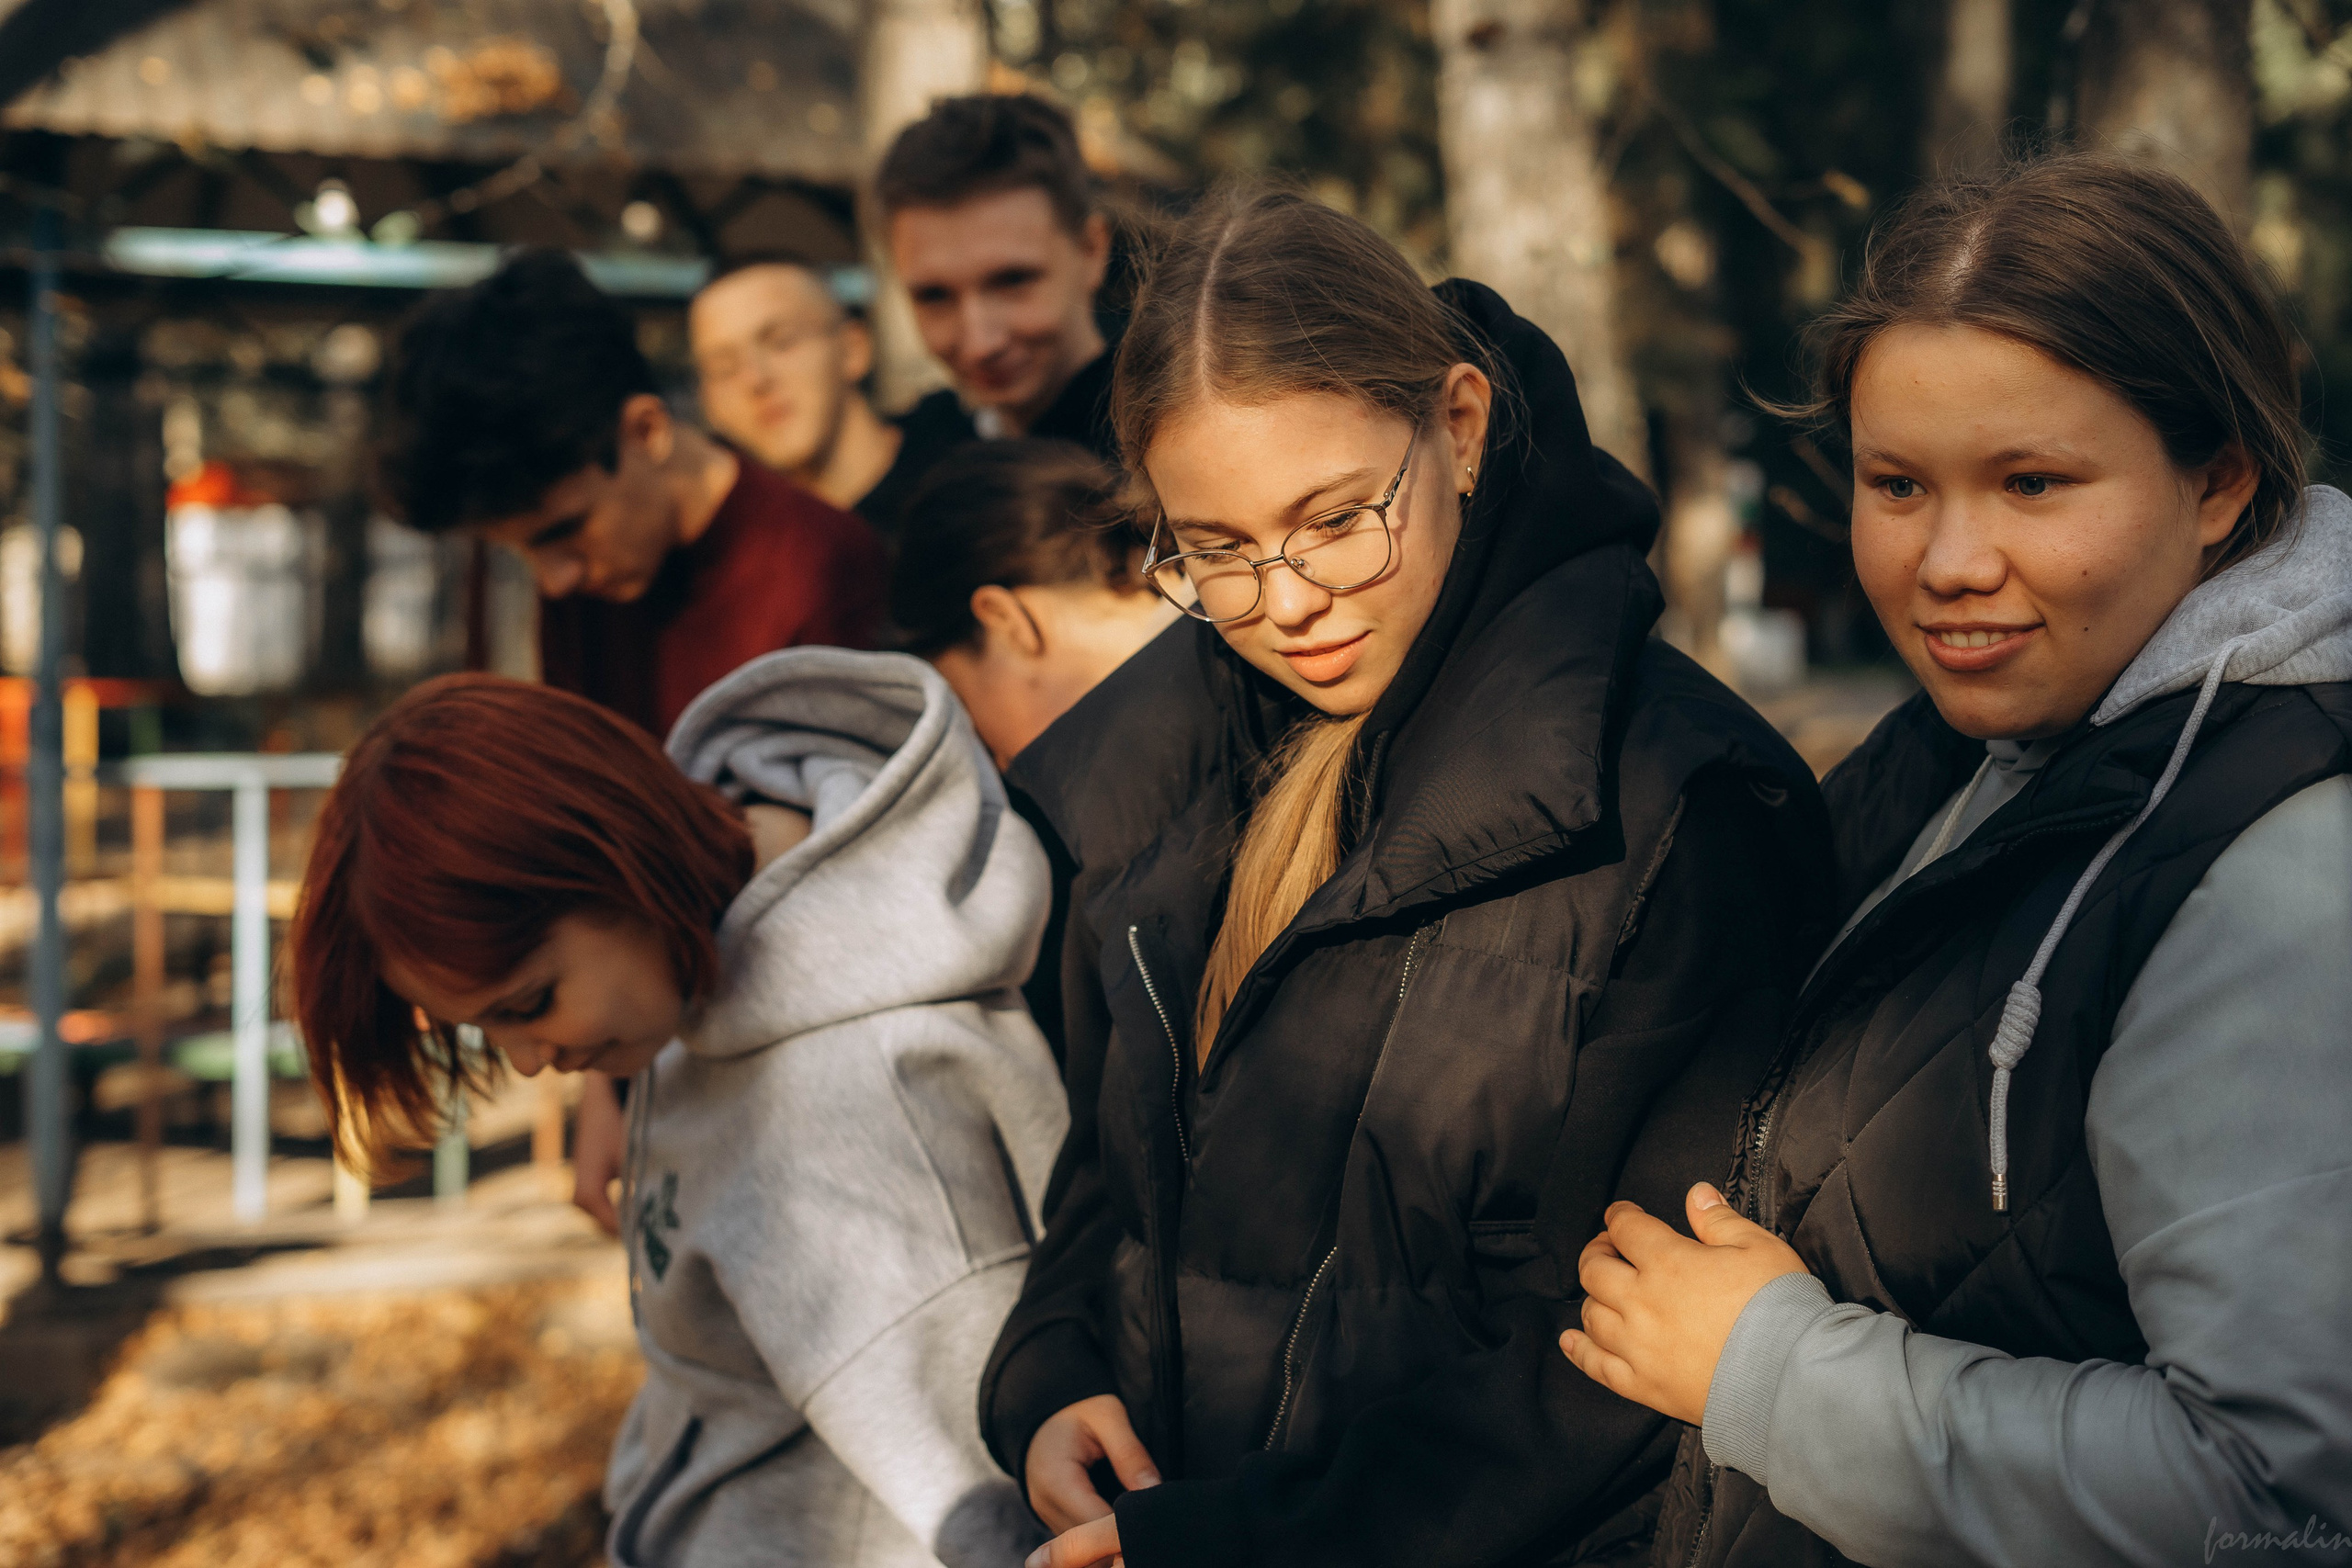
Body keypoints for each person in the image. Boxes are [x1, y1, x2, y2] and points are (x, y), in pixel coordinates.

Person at [996, 187, 1834, 1568]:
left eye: (1333, 517)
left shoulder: (1677, 808)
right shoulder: (1157, 772)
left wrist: (1236, 1544)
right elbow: (1109, 1169)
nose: (1287, 600)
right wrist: (1048, 1369)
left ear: (1457, 425)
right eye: (1217, 548)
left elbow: (1607, 1360)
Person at [1559, 153, 2352, 1568]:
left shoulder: (2282, 867)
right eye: (1898, 483)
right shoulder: (1960, 749)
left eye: (2034, 482)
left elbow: (2282, 1499)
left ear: (2220, 479)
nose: (1950, 560)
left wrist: (1771, 1372)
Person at [288, 656, 1066, 1568]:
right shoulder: (707, 977)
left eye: (530, 1002)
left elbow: (987, 1515)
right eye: (485, 1031)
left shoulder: (848, 1109)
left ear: (620, 865)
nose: (530, 1062)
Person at [379, 248, 890, 739]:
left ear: (646, 431)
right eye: (522, 551)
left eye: (568, 531)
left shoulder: (824, 563)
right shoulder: (584, 582)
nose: (555, 581)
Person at [890, 436, 1179, 1061]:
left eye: (964, 708)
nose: (991, 760)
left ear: (1004, 620)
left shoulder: (1138, 797)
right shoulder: (1241, 634)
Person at [890, 438, 1175, 771]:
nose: (998, 763)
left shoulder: (1129, 780)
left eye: (966, 713)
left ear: (1004, 620)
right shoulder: (1228, 629)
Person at [876, 94, 1119, 460]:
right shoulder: (919, 452)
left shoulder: (1167, 462)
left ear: (1091, 251)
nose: (980, 344)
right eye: (935, 296)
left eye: (1012, 281)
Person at [689, 254, 976, 540]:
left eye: (782, 342)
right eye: (723, 369)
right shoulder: (741, 557)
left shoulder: (975, 476)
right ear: (708, 403)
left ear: (854, 349)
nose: (756, 380)